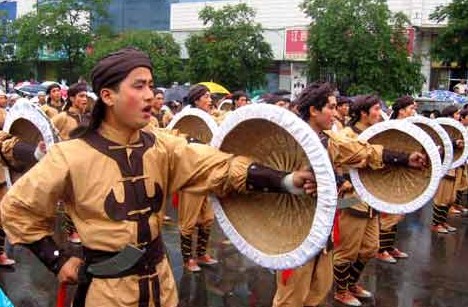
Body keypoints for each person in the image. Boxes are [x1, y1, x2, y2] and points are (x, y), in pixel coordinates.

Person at [0, 48, 315, 307]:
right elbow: (15, 208)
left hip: (162, 285)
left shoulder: (163, 147)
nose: (151, 95)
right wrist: (57, 260)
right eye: (139, 86)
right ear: (107, 96)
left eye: (151, 85)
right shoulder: (70, 155)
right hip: (106, 291)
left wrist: (284, 180)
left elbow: (216, 167)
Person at [272, 84, 427, 307]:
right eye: (331, 107)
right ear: (314, 110)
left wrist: (404, 158)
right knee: (291, 298)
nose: (336, 113)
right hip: (294, 232)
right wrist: (293, 181)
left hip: (322, 230)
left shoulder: (330, 140)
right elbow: (267, 179)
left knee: (318, 290)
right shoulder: (286, 140)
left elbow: (363, 151)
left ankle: (347, 286)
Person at [376, 96, 415, 264]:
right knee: (388, 214)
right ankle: (381, 249)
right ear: (401, 110)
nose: (413, 112)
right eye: (411, 108)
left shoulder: (411, 128)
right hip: (389, 174)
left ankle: (389, 245)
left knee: (399, 213)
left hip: (403, 174)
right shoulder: (390, 128)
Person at [51, 82, 90, 243]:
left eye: (86, 96)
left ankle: (82, 228)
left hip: (87, 163)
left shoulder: (89, 118)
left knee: (85, 197)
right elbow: (48, 134)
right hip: (68, 162)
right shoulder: (62, 117)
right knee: (71, 198)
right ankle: (71, 231)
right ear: (72, 98)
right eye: (81, 96)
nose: (85, 99)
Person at [432, 105, 464, 233]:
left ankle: (443, 221)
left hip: (454, 166)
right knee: (441, 197)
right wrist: (454, 143)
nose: (458, 116)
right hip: (444, 167)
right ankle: (436, 224)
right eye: (456, 114)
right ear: (450, 115)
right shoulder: (441, 129)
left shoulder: (456, 129)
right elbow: (438, 145)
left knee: (449, 198)